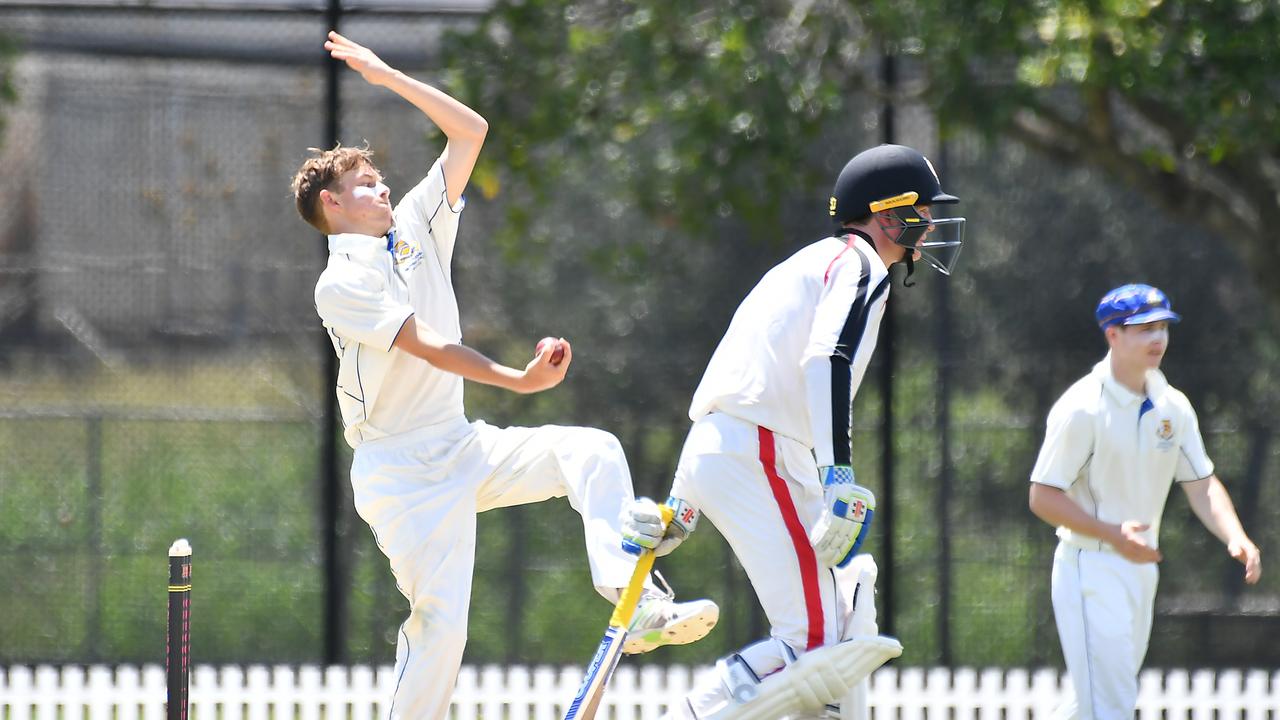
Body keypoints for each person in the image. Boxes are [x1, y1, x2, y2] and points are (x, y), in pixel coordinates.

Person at [290, 32, 717, 719]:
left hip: (459, 444)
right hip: (401, 475)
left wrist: (384, 73)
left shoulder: (415, 224)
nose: (383, 186)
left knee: (591, 449)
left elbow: (471, 131)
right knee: (442, 631)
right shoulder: (340, 282)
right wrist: (518, 381)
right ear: (332, 208)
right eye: (364, 185)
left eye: (379, 177)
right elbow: (425, 344)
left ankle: (628, 597)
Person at [623, 144, 966, 719]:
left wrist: (681, 510)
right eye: (922, 211)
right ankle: (696, 712)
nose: (930, 224)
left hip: (729, 447)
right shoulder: (860, 265)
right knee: (814, 641)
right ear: (887, 215)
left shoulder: (804, 265)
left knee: (849, 609)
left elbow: (724, 394)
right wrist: (838, 477)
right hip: (763, 450)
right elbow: (825, 360)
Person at [1027, 283, 1262, 719]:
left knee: (1091, 703)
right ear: (1112, 335)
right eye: (1143, 329)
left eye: (1162, 328)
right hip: (1089, 568)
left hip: (1140, 570)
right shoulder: (1082, 408)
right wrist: (1111, 535)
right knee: (1110, 705)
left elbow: (1201, 483)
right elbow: (1043, 495)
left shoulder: (1173, 406)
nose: (1158, 339)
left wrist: (1236, 535)